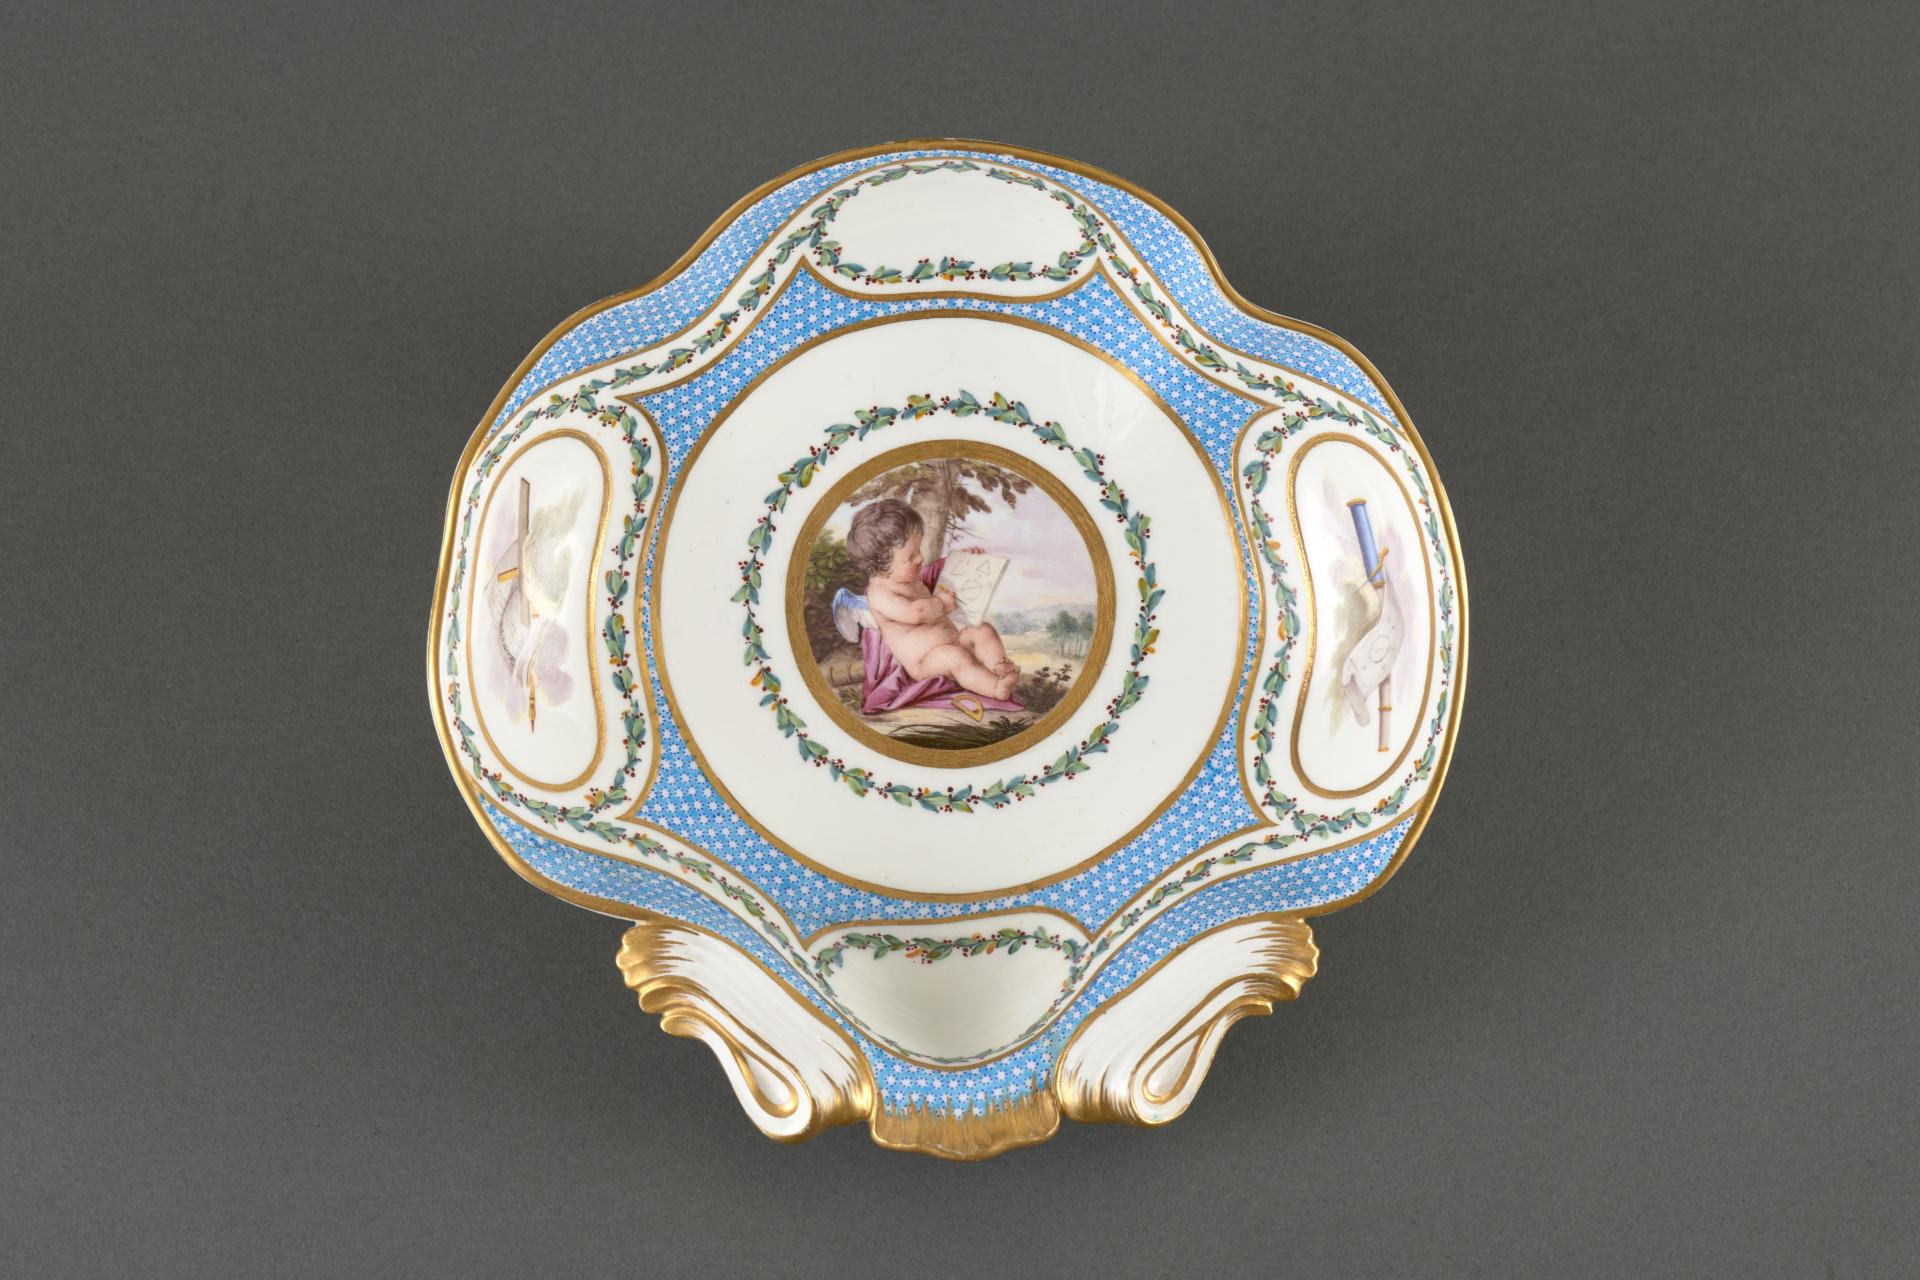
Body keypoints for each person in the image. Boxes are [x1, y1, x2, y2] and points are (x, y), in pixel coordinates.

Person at [846, 499, 1019, 703]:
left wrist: (965, 562)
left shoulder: (908, 577)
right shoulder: (879, 593)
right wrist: (942, 605)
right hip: (926, 663)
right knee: (955, 657)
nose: (920, 558)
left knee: (982, 630)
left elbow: (938, 575)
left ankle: (998, 666)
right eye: (910, 557)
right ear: (880, 566)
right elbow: (916, 613)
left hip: (954, 643)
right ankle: (996, 688)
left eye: (918, 550)